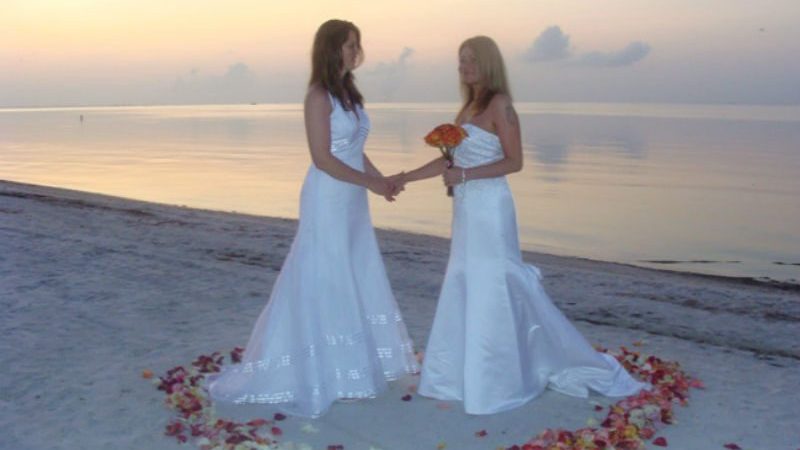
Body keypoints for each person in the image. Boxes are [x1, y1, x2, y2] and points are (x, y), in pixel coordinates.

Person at [394, 36, 647, 414]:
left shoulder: (501, 105)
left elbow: (515, 162)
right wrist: (402, 178)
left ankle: (501, 374)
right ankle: (462, 372)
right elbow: (448, 163)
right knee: (466, 277)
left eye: (470, 60)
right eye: (460, 60)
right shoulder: (466, 109)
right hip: (466, 210)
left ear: (488, 64)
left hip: (490, 208)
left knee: (494, 280)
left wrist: (465, 175)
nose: (463, 67)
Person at [208, 19, 418, 418]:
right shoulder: (318, 96)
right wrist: (369, 183)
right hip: (328, 196)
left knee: (354, 269)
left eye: (359, 44)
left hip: (352, 196)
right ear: (331, 48)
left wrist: (380, 180)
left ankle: (356, 361)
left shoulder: (349, 94)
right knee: (326, 272)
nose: (357, 52)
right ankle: (328, 367)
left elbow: (354, 148)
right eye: (350, 45)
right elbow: (322, 158)